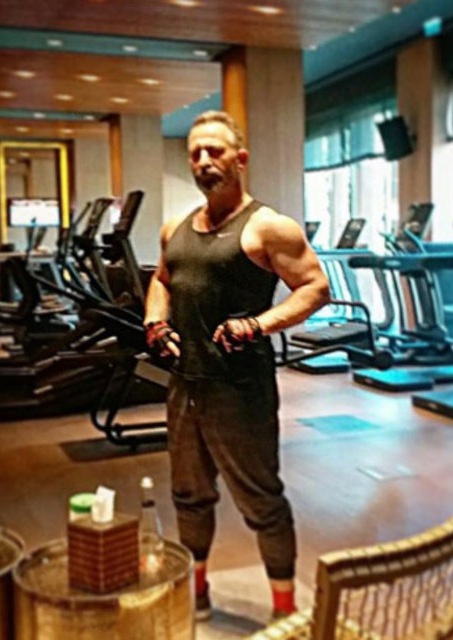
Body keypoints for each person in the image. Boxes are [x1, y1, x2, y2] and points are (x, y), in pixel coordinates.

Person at [144, 110, 330, 620]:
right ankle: (199, 594)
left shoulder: (268, 227)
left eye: (215, 151)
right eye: (196, 153)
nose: (204, 160)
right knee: (188, 495)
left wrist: (258, 324)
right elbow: (161, 280)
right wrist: (155, 322)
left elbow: (316, 287)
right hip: (185, 386)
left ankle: (285, 610)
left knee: (261, 500)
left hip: (240, 389)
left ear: (240, 159)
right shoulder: (175, 228)